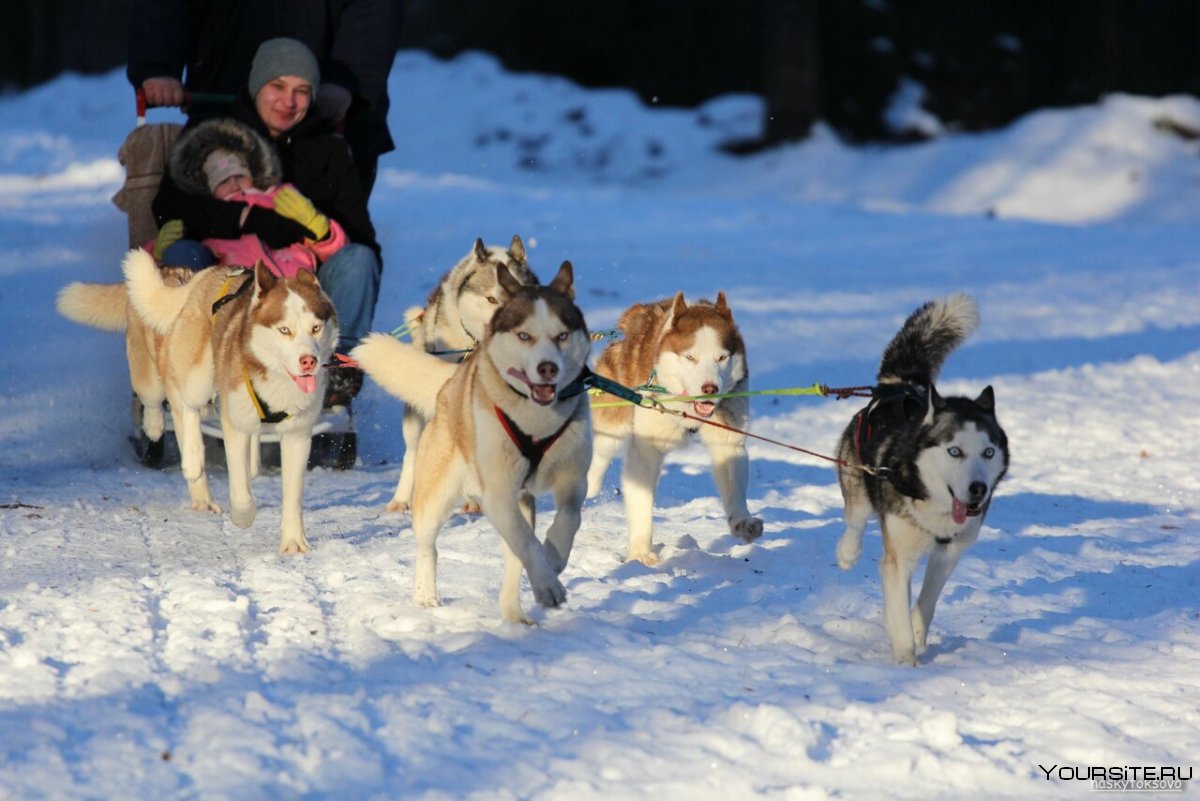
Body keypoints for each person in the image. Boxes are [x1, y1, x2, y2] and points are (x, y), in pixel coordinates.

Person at [152, 38, 380, 406]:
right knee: (181, 253)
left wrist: (316, 228)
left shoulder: (328, 150)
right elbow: (169, 203)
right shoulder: (216, 132)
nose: (288, 101)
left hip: (301, 282)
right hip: (221, 274)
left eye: (302, 91)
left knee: (360, 259)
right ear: (258, 85)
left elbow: (362, 238)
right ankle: (183, 366)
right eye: (278, 86)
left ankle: (336, 372)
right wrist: (245, 218)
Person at [126, 0, 403, 198]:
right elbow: (164, 7)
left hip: (329, 112)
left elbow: (375, 11)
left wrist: (345, 82)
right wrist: (157, 67)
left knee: (333, 241)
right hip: (224, 106)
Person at [154, 117, 348, 279]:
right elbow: (151, 270)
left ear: (253, 173)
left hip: (293, 287)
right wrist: (158, 253)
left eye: (240, 176)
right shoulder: (209, 216)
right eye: (224, 182)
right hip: (236, 293)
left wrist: (319, 229)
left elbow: (337, 254)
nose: (235, 185)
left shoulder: (280, 197)